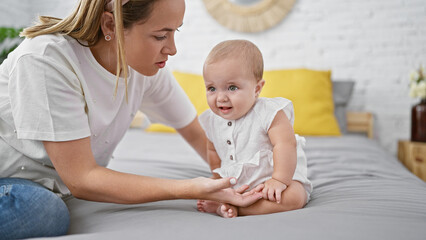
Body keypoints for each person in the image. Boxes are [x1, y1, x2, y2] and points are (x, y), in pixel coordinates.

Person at [0, 1, 264, 239]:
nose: (172, 49)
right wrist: (192, 188)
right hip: (8, 177)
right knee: (44, 211)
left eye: (175, 32)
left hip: (52, 185)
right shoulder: (46, 60)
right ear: (110, 24)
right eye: (161, 35)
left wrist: (233, 179)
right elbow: (81, 178)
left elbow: (198, 133)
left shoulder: (144, 69)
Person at [196, 40, 313, 218]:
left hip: (274, 180)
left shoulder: (269, 112)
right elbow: (212, 149)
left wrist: (279, 180)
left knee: (295, 197)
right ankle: (228, 202)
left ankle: (239, 209)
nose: (220, 97)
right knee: (203, 190)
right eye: (211, 88)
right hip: (237, 185)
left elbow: (285, 144)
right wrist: (217, 180)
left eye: (232, 87)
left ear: (257, 88)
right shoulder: (211, 120)